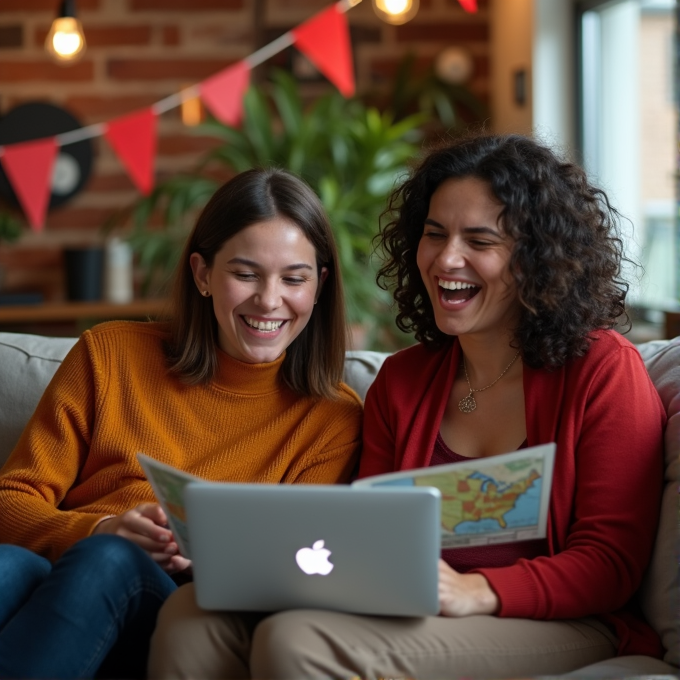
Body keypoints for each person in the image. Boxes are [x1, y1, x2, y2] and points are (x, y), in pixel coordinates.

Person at [147, 133, 666, 680]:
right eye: (434, 234)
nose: (447, 259)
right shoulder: (402, 381)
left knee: (299, 640)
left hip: (562, 621)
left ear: (536, 258)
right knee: (192, 612)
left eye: (480, 241)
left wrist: (480, 590)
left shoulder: (604, 370)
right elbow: (366, 538)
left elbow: (611, 563)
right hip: (411, 610)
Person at [0, 167, 362, 680]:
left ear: (319, 286)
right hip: (69, 577)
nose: (268, 299)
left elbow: (298, 568)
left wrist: (199, 550)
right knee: (8, 568)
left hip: (174, 611)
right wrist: (101, 527)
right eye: (245, 273)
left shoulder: (333, 419)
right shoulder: (110, 355)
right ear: (202, 274)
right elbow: (9, 502)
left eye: (293, 278)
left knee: (109, 560)